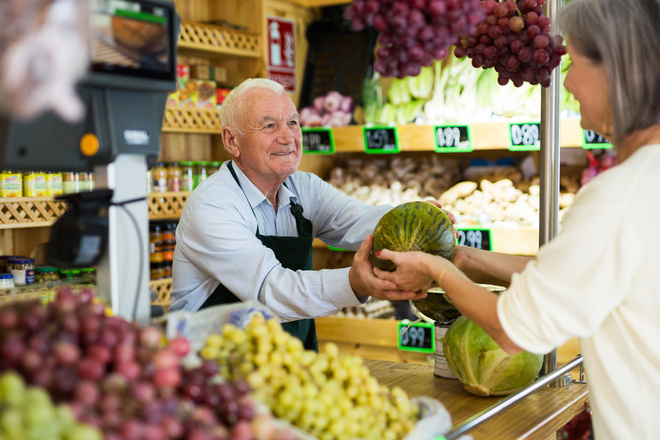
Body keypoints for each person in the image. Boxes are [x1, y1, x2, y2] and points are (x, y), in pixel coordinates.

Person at [372, 0, 660, 438]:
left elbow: (512, 329)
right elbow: (569, 276)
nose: (566, 80)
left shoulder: (617, 198)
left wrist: (438, 269)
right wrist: (467, 260)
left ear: (618, 71)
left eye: (576, 62)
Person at [170, 78, 429, 351]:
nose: (288, 137)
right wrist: (353, 282)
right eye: (269, 125)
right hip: (212, 373)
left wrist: (415, 220)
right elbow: (269, 292)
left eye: (293, 123)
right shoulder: (212, 205)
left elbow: (358, 221)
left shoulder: (302, 187)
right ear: (232, 141)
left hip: (288, 366)